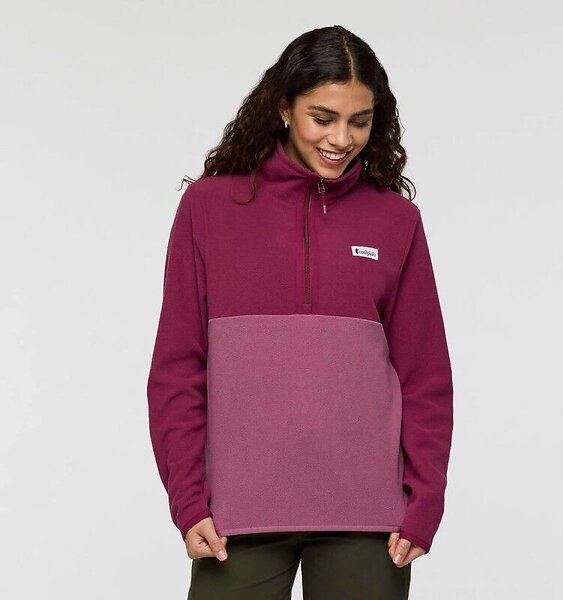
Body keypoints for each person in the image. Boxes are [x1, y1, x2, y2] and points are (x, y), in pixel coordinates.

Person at [147, 25, 454, 600]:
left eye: (359, 121)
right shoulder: (208, 207)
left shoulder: (396, 220)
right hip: (235, 517)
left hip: (368, 518)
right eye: (323, 117)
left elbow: (425, 376)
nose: (341, 138)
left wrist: (425, 499)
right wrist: (188, 500)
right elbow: (177, 368)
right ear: (284, 107)